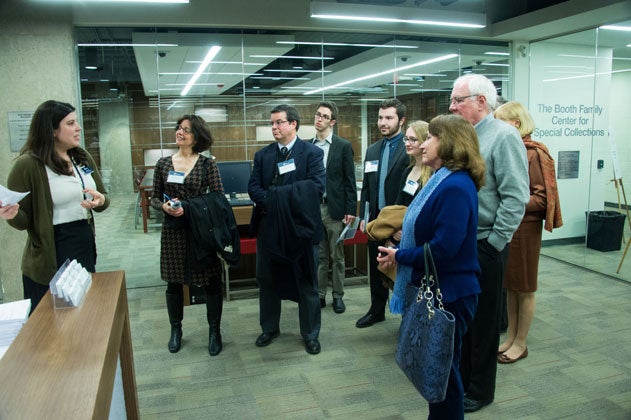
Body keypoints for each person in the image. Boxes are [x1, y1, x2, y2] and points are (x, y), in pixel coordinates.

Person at [377, 114, 485, 419]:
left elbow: (444, 249)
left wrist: (400, 257)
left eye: (430, 138)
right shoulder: (442, 179)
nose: (423, 145)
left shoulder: (454, 186)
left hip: (452, 292)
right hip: (443, 288)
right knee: (439, 372)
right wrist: (401, 253)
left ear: (449, 142)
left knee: (444, 376)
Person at [449, 74, 529, 413]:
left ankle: (481, 391)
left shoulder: (504, 136)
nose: (451, 107)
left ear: (482, 101)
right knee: (465, 320)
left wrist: (494, 244)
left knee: (483, 325)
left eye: (458, 100)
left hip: (486, 245)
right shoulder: (465, 137)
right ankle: (464, 381)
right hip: (463, 245)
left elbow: (516, 198)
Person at [6, 100, 109, 313]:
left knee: (84, 310)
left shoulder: (82, 157)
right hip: (51, 249)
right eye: (71, 123)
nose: (78, 128)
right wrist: (11, 214)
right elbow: (22, 220)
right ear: (52, 130)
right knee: (52, 319)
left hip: (83, 240)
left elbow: (103, 198)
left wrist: (101, 201)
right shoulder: (28, 165)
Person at [248, 104, 325, 355]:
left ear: (293, 124)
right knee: (267, 280)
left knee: (306, 283)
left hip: (300, 227)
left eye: (279, 122)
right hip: (269, 226)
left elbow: (315, 187)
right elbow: (254, 188)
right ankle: (269, 328)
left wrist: (278, 197)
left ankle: (310, 334)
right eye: (272, 123)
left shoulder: (311, 153)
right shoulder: (263, 156)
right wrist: (275, 201)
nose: (274, 127)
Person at [494, 101, 563, 364]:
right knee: (510, 288)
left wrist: (512, 201)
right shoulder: (512, 149)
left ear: (517, 124)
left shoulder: (532, 153)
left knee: (525, 288)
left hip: (525, 229)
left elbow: (542, 199)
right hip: (510, 227)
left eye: (502, 122)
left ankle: (521, 343)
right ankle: (511, 336)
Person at [151, 114, 225, 356]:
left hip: (200, 231)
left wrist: (190, 206)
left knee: (211, 281)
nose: (179, 133)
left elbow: (217, 198)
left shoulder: (207, 164)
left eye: (186, 130)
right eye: (178, 128)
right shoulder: (163, 164)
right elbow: (154, 197)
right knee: (174, 283)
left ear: (197, 137)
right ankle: (176, 330)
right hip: (173, 233)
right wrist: (162, 206)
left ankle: (214, 331)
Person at [356, 98, 409, 328]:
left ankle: (408, 316)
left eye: (389, 118)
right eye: (380, 118)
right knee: (376, 266)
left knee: (402, 270)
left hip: (399, 223)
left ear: (402, 120)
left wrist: (402, 226)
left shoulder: (410, 148)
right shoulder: (373, 149)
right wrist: (364, 218)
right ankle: (377, 310)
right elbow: (367, 188)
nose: (383, 123)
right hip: (376, 220)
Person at [311, 101, 357, 314]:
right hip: (313, 210)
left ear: (333, 122)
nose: (319, 119)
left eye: (324, 116)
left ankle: (338, 296)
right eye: (318, 115)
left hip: (335, 210)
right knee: (319, 256)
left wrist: (350, 210)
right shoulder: (307, 146)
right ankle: (319, 294)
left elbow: (349, 181)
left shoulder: (343, 146)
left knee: (337, 256)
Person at [395, 120, 432, 207]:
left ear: (424, 141)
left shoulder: (433, 173)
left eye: (413, 140)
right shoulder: (407, 171)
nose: (407, 144)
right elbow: (399, 203)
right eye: (406, 139)